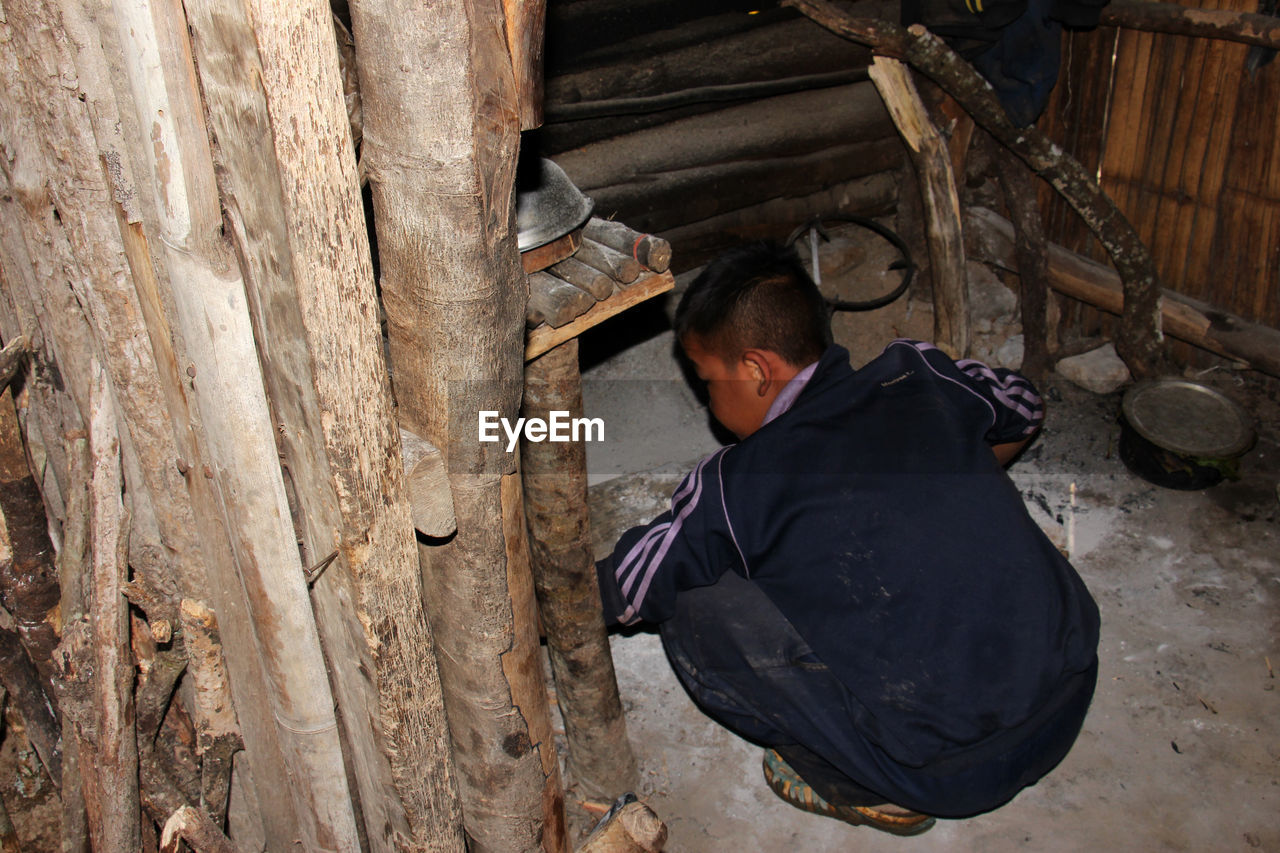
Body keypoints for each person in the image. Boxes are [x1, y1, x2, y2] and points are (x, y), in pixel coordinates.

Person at [595, 242, 1100, 835]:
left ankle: (861, 788)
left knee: (693, 602)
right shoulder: (920, 373)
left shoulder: (739, 481)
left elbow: (624, 588)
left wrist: (509, 612)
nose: (708, 401)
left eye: (708, 382)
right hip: (1068, 690)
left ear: (756, 370)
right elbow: (1024, 404)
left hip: (945, 773)